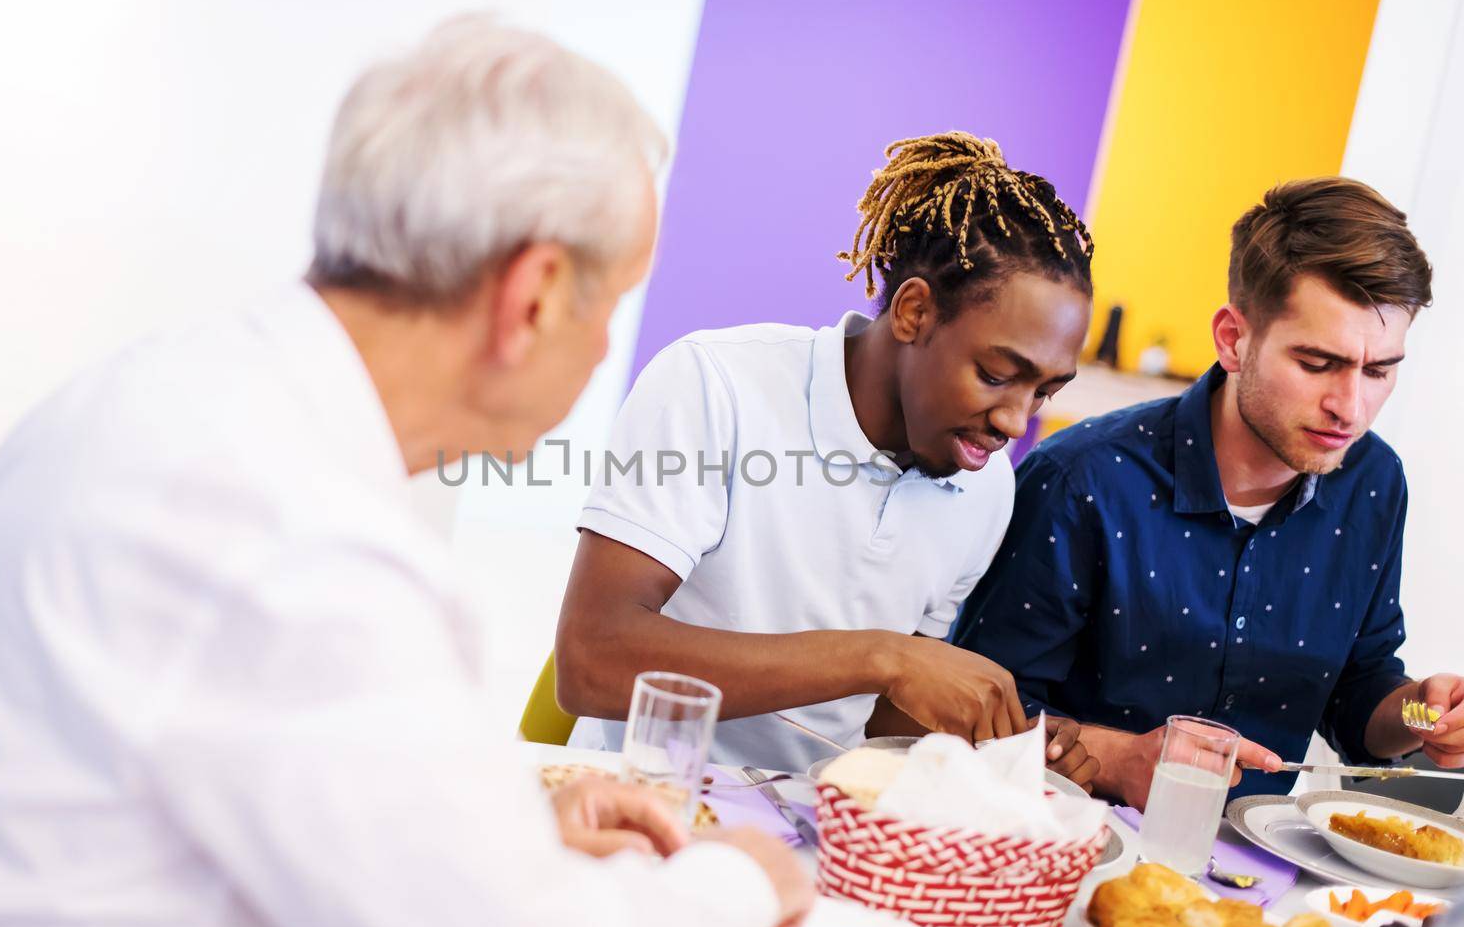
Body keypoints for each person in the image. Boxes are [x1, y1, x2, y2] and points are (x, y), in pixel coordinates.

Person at [0, 17, 811, 927]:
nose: (607, 346)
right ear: (531, 297)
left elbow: (247, 789)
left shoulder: (165, 395)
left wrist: (498, 847)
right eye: (611, 303)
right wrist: (732, 886)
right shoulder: (296, 536)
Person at [556, 134, 1101, 782]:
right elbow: (592, 659)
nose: (1015, 421)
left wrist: (994, 751)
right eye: (995, 374)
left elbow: (883, 725)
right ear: (914, 311)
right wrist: (881, 656)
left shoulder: (985, 488)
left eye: (1044, 390)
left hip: (820, 839)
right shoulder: (714, 385)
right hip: (635, 808)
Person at [953, 177, 1464, 808]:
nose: (1349, 407)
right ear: (1232, 339)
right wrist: (1118, 760)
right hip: (1065, 843)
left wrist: (1425, 716)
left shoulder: (1374, 483)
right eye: (1316, 363)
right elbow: (973, 714)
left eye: (1380, 370)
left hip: (1260, 872)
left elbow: (1360, 695)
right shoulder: (1082, 479)